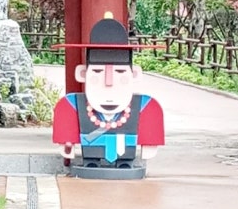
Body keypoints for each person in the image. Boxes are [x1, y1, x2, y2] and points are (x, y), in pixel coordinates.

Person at [52, 15, 164, 168]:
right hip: (91, 147)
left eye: (120, 73)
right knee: (91, 160)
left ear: (135, 74)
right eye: (97, 72)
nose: (109, 83)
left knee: (125, 161)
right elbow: (66, 126)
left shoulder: (145, 106)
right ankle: (91, 162)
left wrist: (148, 146)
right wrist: (67, 142)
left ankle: (124, 162)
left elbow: (150, 128)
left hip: (126, 146)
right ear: (82, 74)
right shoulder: (72, 104)